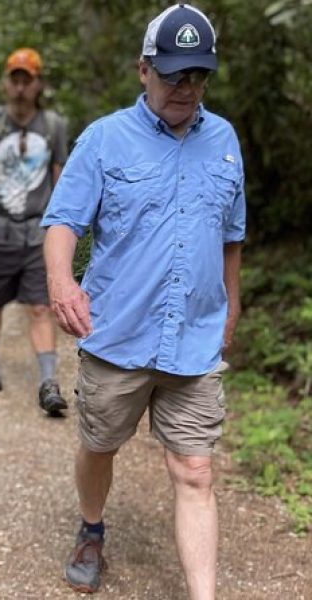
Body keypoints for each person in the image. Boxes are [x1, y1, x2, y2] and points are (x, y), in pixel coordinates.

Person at [42, 5, 245, 596]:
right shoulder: (104, 139)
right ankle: (91, 526)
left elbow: (231, 235)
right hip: (118, 335)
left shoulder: (225, 140)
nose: (186, 88)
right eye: (174, 74)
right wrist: (62, 280)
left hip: (195, 338)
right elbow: (62, 223)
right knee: (98, 445)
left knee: (196, 470)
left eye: (198, 76)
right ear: (143, 70)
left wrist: (233, 304)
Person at [0, 47, 68, 415]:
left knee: (41, 307)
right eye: (15, 79)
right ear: (6, 83)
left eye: (28, 79)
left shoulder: (54, 127)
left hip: (37, 233)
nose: (21, 86)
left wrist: (61, 228)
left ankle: (48, 382)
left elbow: (60, 181)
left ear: (38, 84)